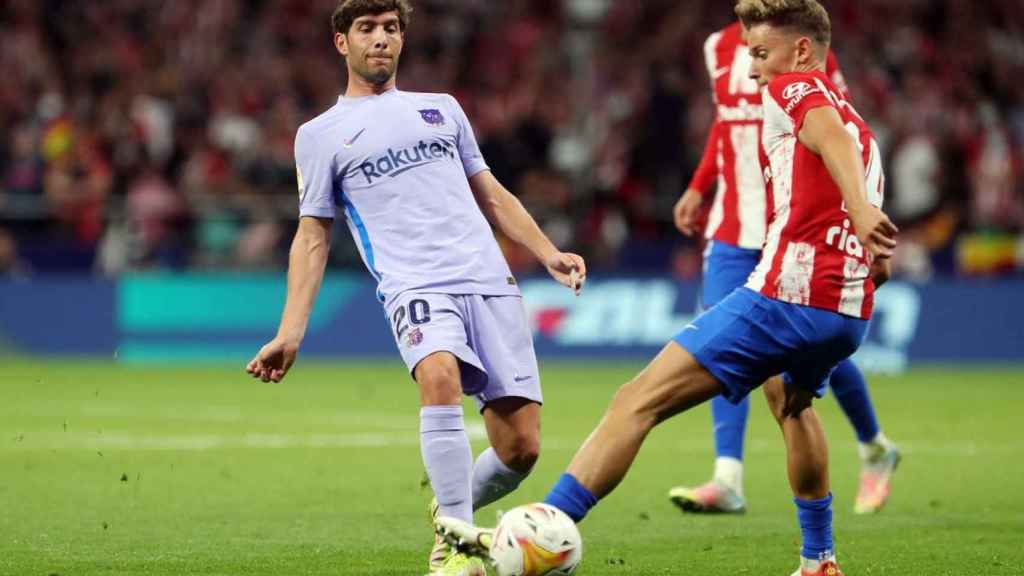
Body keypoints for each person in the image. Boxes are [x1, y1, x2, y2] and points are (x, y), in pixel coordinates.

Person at [437, 1, 896, 574]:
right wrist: (871, 241)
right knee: (793, 403)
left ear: (802, 51)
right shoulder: (861, 123)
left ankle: (543, 529)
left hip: (788, 296)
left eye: (760, 54)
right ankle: (819, 559)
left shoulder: (794, 88)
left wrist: (857, 209)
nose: (753, 69)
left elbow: (828, 141)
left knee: (637, 400)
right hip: (847, 311)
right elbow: (844, 154)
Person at [244, 2, 586, 575]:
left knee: (520, 449)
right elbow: (311, 236)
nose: (381, 39)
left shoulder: (442, 110)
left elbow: (491, 192)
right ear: (341, 43)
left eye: (391, 28)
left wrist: (546, 251)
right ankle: (454, 545)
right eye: (367, 29)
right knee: (439, 374)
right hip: (414, 283)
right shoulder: (318, 135)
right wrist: (290, 331)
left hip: (487, 280)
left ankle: (451, 504)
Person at [668, 11, 899, 516]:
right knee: (719, 344)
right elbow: (723, 122)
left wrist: (859, 213)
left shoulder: (803, 50)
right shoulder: (716, 48)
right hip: (733, 225)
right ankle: (727, 477)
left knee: (811, 357)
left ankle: (874, 445)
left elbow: (838, 133)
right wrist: (697, 186)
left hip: (796, 224)